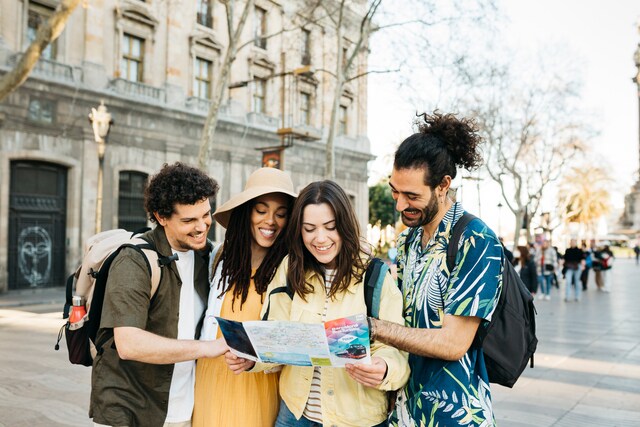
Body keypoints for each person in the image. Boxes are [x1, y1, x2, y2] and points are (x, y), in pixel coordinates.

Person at [226, 180, 410, 427]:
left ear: (344, 225)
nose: (320, 238)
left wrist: (384, 368)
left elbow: (397, 351)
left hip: (357, 419)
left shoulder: (375, 276)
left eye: (330, 227)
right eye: (309, 229)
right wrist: (252, 359)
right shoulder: (290, 268)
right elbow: (273, 336)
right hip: (294, 415)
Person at [367, 112, 503, 426]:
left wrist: (375, 328)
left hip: (454, 413)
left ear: (443, 186)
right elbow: (398, 315)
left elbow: (453, 344)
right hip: (404, 408)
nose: (400, 205)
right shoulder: (406, 241)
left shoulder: (477, 240)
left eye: (412, 196)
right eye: (394, 191)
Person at [90, 162, 228, 427]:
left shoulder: (208, 257)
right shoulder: (134, 260)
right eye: (189, 220)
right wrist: (209, 349)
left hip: (184, 407)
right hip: (131, 409)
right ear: (161, 216)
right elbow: (129, 343)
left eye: (206, 215)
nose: (202, 227)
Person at [192, 168, 297, 427]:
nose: (270, 221)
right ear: (247, 212)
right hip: (210, 378)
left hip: (257, 384)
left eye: (281, 214)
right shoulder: (218, 260)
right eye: (261, 210)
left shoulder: (291, 270)